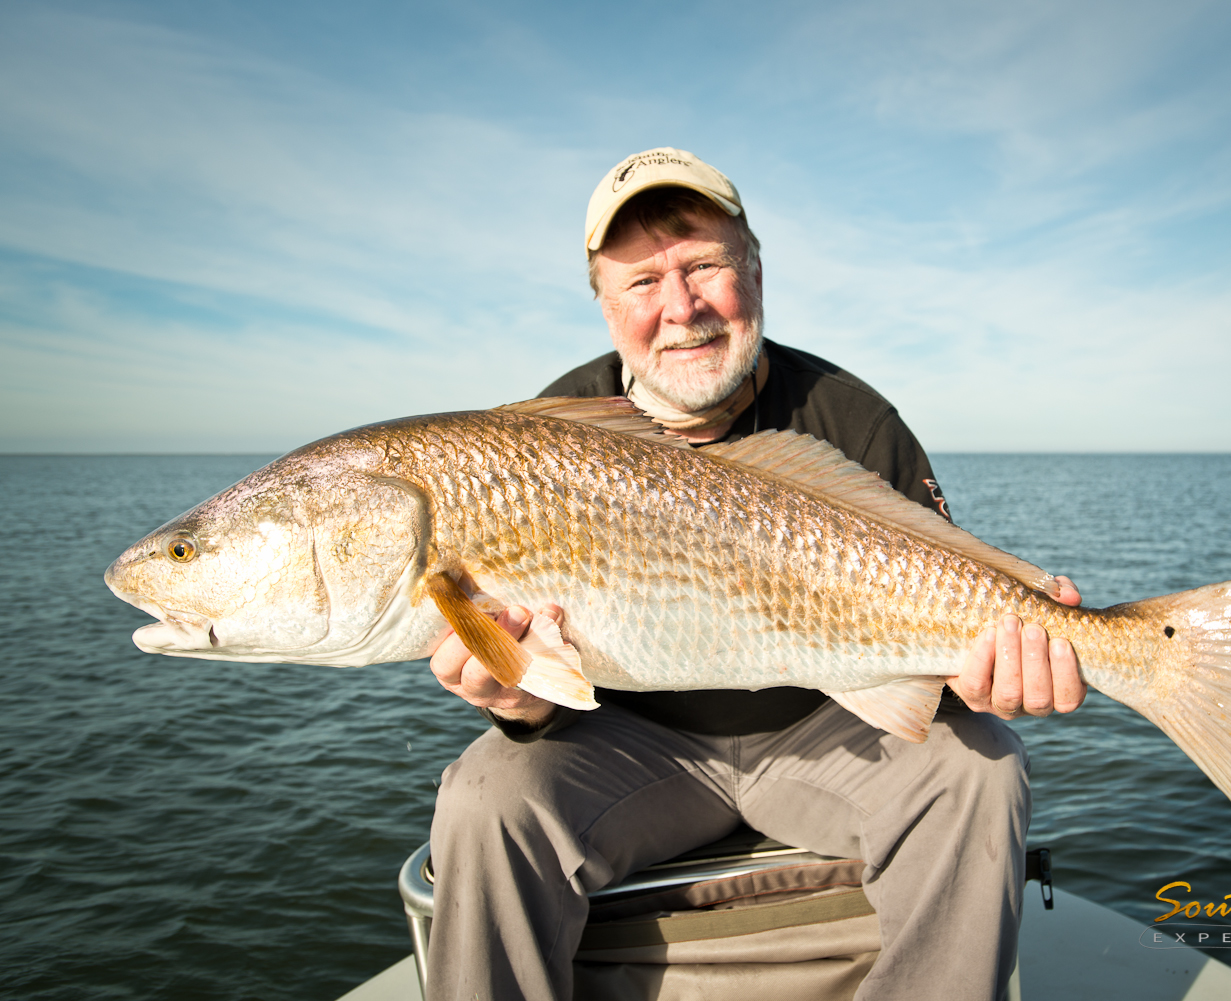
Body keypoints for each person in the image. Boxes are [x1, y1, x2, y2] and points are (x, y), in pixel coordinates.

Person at [423, 148, 1086, 1001]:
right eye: (641, 283)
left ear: (756, 270)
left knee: (981, 764)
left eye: (704, 265)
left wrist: (997, 672)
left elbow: (944, 622)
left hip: (825, 732)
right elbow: (537, 684)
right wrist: (517, 697)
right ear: (602, 303)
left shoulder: (851, 415)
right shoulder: (535, 442)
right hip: (636, 746)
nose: (681, 308)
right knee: (484, 795)